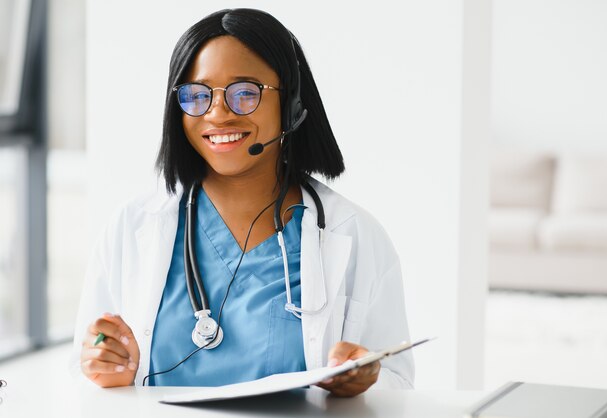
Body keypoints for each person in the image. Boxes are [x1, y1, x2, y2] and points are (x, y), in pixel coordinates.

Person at [71, 8, 414, 397]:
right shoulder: (130, 228)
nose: (218, 113)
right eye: (197, 95)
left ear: (292, 103)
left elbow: (398, 384)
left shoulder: (352, 234)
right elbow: (85, 374)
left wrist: (363, 381)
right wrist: (108, 370)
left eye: (246, 92)